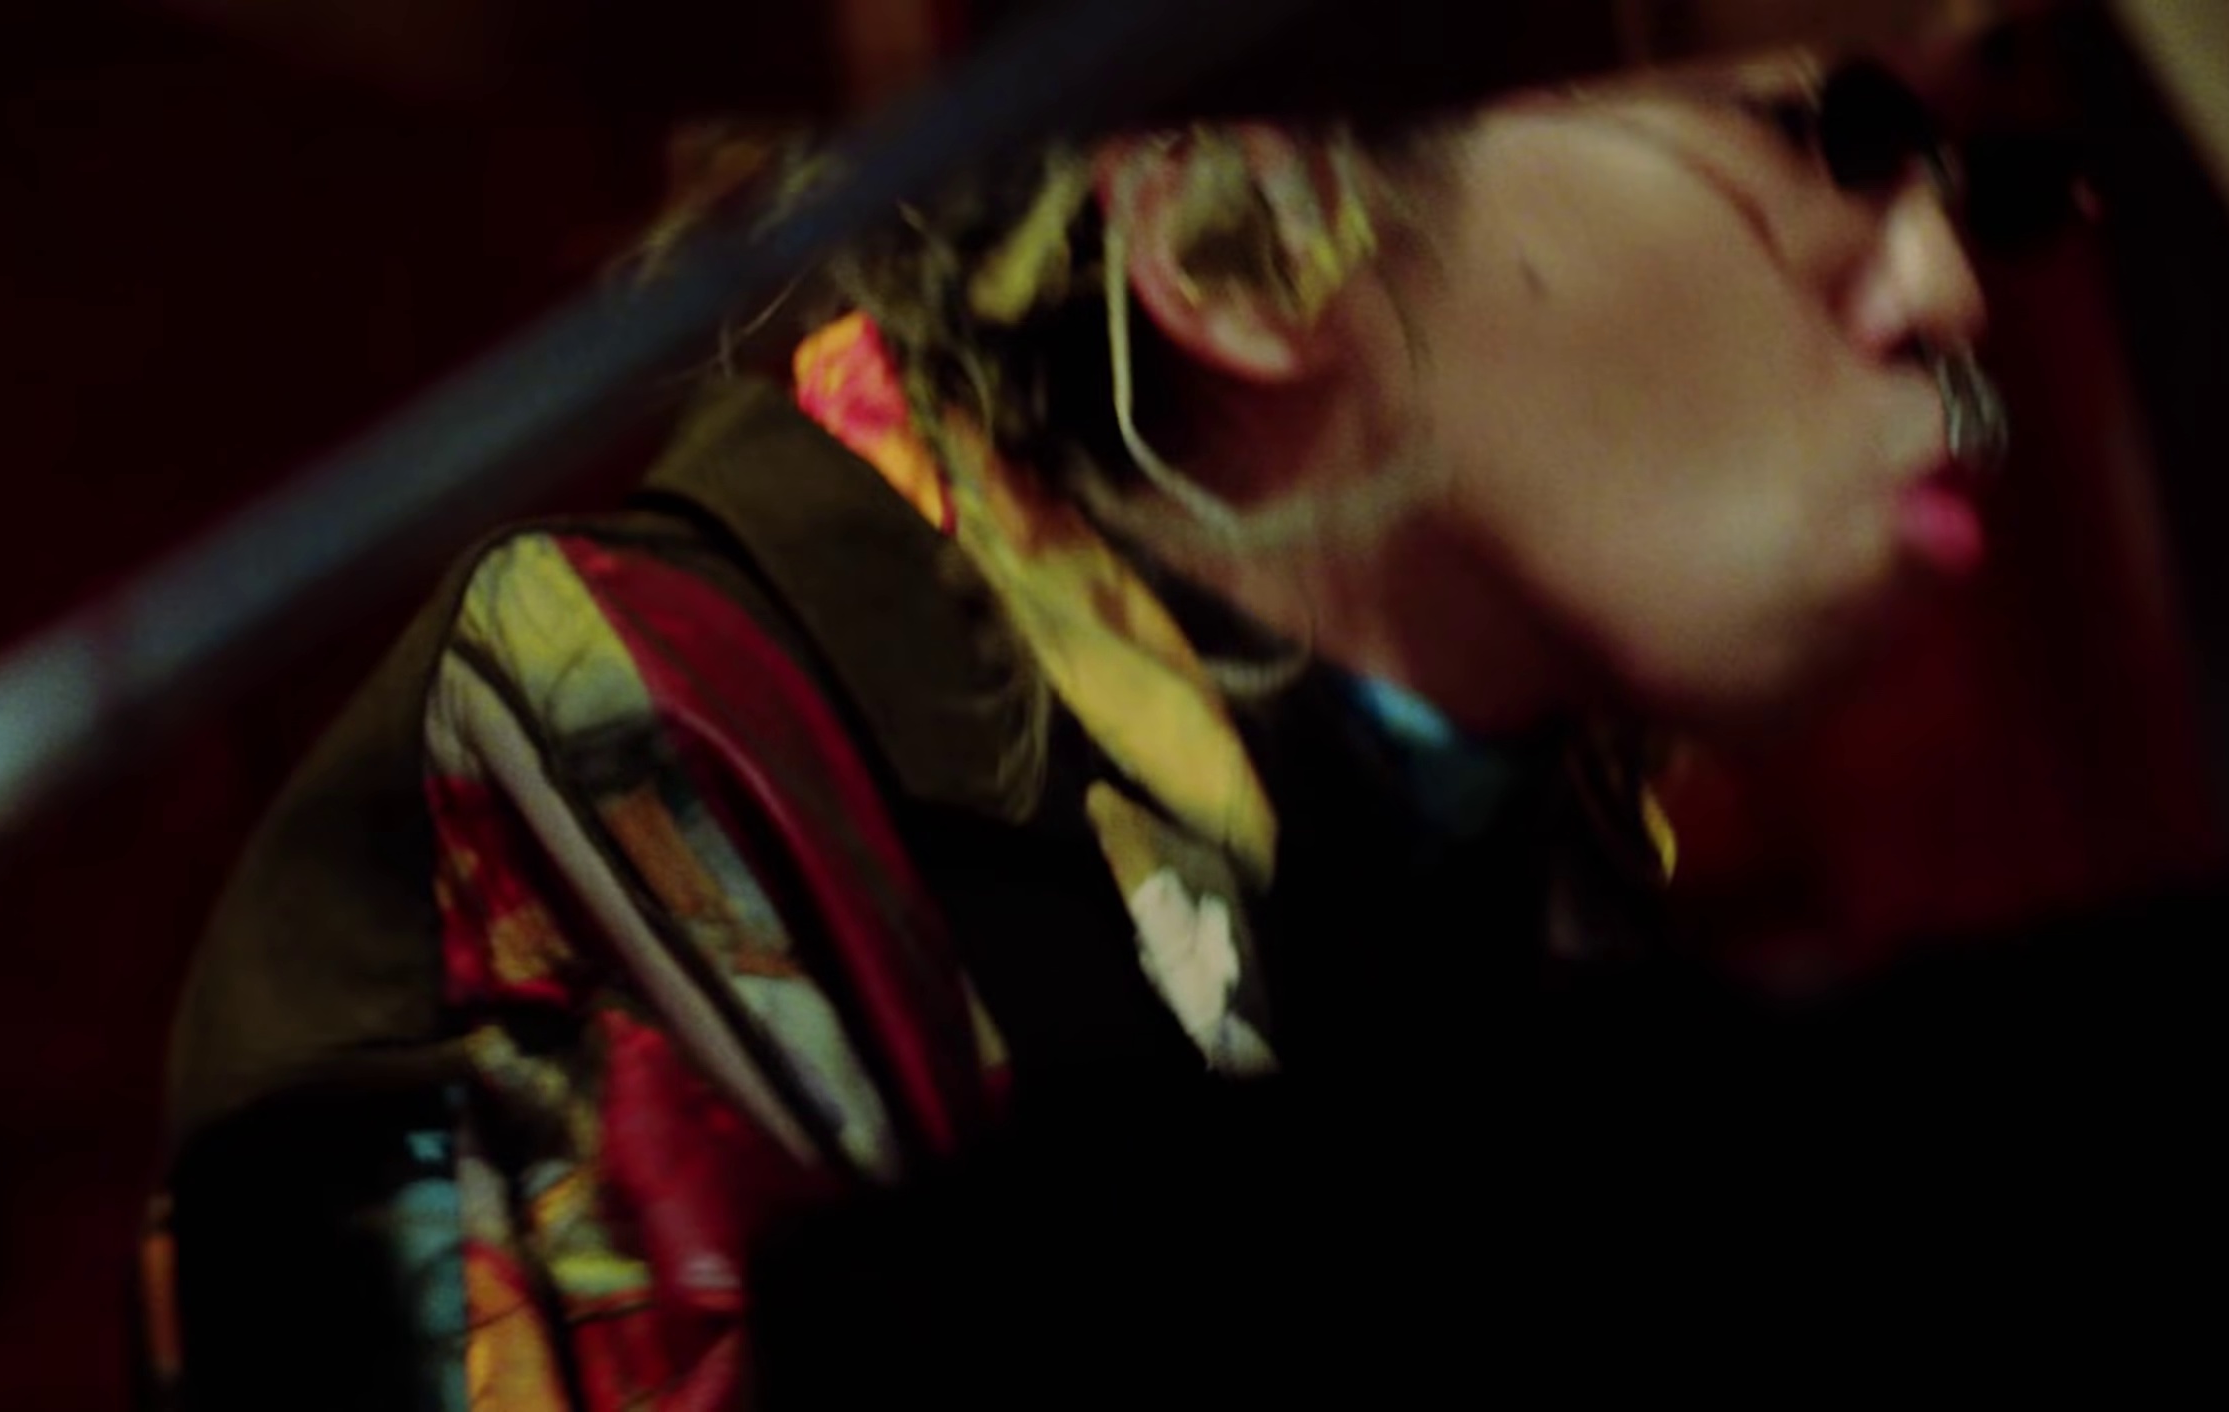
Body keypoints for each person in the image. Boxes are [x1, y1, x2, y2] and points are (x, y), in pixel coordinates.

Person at [147, 11, 2011, 1409]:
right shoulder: (617, 753)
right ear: (1239, 238)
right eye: (1824, 132)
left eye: (1982, 174)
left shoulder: (1518, 819)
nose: (1952, 288)